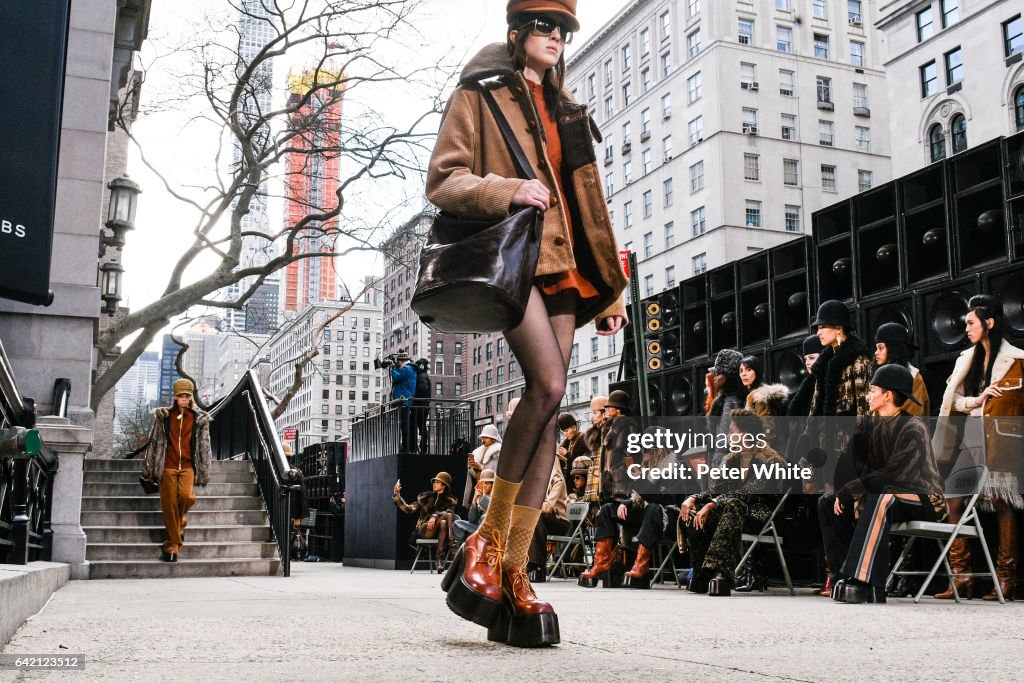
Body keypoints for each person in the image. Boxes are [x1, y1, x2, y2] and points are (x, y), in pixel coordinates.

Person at [427, 0, 628, 648]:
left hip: (568, 262)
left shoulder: (569, 110)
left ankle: (513, 571)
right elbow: (445, 180)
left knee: (550, 407)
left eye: (564, 29)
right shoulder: (479, 94)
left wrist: (614, 287)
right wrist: (507, 189)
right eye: (544, 26)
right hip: (517, 254)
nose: (555, 38)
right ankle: (484, 539)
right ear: (516, 33)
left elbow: (588, 202)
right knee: (545, 385)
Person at [819, 365, 947, 604]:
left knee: (883, 496)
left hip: (923, 499)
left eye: (873, 390)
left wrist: (854, 488)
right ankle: (843, 575)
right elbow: (855, 466)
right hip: (883, 493)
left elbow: (897, 473)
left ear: (888, 395)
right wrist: (842, 490)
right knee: (828, 501)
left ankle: (866, 580)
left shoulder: (913, 427)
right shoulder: (871, 427)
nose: (868, 395)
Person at [932, 295, 1024, 601]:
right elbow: (953, 400)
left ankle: (1005, 579)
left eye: (971, 322)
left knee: (1001, 502)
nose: (966, 327)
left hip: (1002, 441)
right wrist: (978, 399)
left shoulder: (1018, 360)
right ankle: (961, 576)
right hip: (970, 438)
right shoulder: (965, 360)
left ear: (990, 323)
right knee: (953, 502)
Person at [679, 410, 788, 596]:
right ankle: (701, 574)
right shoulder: (731, 461)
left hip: (760, 513)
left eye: (731, 432)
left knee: (732, 505)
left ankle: (721, 574)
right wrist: (694, 498)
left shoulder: (770, 460)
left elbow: (748, 492)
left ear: (745, 434)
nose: (728, 436)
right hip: (733, 512)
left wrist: (713, 504)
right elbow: (717, 491)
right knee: (696, 511)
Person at [579, 434, 679, 589]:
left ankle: (641, 566)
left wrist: (639, 479)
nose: (643, 452)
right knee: (608, 509)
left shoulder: (673, 468)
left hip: (668, 516)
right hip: (648, 516)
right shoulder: (648, 468)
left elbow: (665, 499)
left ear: (659, 449)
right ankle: (601, 563)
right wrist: (625, 503)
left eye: (646, 449)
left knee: (653, 509)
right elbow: (637, 498)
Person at [140, 378, 212, 563]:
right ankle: (173, 546)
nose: (185, 399)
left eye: (188, 396)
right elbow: (154, 443)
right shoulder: (163, 417)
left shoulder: (199, 419)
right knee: (169, 504)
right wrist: (149, 468)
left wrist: (204, 470)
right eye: (181, 396)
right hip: (168, 466)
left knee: (187, 497)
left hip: (188, 466)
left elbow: (205, 446)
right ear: (175, 396)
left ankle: (180, 524)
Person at [393, 471, 460, 572]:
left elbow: (449, 512)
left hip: (441, 532)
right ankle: (453, 546)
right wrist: (397, 495)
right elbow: (409, 509)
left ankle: (439, 559)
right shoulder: (426, 498)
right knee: (448, 515)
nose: (434, 483)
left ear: (444, 485)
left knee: (444, 521)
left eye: (438, 482)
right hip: (425, 530)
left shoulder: (450, 500)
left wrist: (434, 516)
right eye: (434, 482)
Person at [873, 322, 929, 416]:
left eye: (881, 348)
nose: (876, 353)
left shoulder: (914, 379)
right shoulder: (877, 378)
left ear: (893, 350)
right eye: (876, 348)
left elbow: (911, 415)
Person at [527, 461, 570, 582]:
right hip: (543, 520)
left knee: (537, 517)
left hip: (560, 522)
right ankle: (527, 563)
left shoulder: (558, 481)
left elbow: (547, 507)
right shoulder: (537, 480)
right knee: (527, 519)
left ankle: (537, 565)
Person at [706, 349, 747, 470]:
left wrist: (715, 468)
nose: (715, 377)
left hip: (723, 468)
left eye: (718, 374)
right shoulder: (737, 398)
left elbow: (722, 441)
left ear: (728, 376)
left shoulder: (730, 401)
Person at [740, 354, 790, 453]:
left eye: (748, 370)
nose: (743, 374)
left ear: (757, 372)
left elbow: (768, 431)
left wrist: (756, 455)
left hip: (768, 455)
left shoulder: (759, 397)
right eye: (741, 370)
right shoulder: (757, 394)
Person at [463, 424, 502, 507]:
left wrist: (480, 467)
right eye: (483, 437)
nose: (483, 440)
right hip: (478, 487)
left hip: (490, 489)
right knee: (475, 513)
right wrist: (471, 468)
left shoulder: (498, 452)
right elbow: (476, 476)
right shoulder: (478, 452)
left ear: (493, 439)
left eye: (486, 437)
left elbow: (496, 473)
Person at [454, 469, 496, 545]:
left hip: (491, 530)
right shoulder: (480, 497)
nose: (484, 486)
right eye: (483, 483)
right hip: (478, 528)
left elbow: (491, 511)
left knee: (484, 516)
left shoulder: (496, 497)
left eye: (487, 483)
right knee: (457, 523)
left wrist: (483, 495)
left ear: (493, 484)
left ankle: (473, 539)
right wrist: (475, 498)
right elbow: (472, 519)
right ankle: (461, 546)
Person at [389, 350, 417, 453]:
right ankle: (404, 446)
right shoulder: (408, 369)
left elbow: (396, 377)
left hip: (404, 401)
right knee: (401, 426)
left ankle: (406, 447)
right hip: (402, 401)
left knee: (404, 426)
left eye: (398, 362)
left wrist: (393, 367)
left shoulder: (407, 369)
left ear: (401, 361)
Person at [582, 396, 608, 503]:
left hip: (603, 481)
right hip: (594, 480)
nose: (593, 417)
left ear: (604, 413)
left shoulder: (608, 432)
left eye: (595, 413)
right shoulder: (595, 434)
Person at [556, 412, 588, 482]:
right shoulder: (566, 444)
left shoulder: (584, 440)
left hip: (582, 481)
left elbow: (583, 463)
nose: (565, 434)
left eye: (566, 431)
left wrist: (566, 455)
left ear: (574, 427)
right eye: (563, 431)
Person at [412, 358, 432, 453]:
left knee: (419, 426)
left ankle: (421, 446)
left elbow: (423, 390)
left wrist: (414, 397)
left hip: (420, 406)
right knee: (421, 426)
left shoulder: (421, 377)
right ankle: (422, 446)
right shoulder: (424, 375)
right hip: (422, 406)